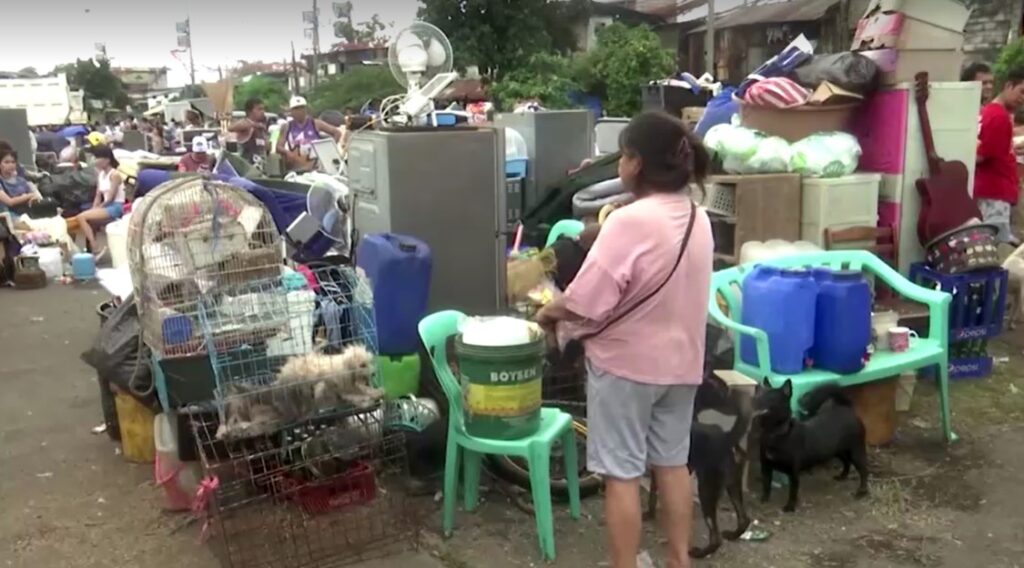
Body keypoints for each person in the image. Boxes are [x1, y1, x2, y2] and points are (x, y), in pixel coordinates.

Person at [535, 112, 713, 568]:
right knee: (673, 465)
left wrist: (547, 310)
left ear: (636, 163)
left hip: (627, 369)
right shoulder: (698, 217)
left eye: (624, 155)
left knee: (623, 475)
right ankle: (679, 559)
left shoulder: (629, 222)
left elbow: (586, 301)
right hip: (683, 364)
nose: (620, 165)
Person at [976, 67, 1024, 245]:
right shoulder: (999, 117)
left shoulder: (990, 112)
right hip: (994, 193)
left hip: (992, 191)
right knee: (992, 246)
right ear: (1008, 85)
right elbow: (981, 155)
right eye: (1022, 91)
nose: (1023, 99)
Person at [74, 145, 125, 256]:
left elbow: (111, 197)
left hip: (115, 206)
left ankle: (95, 247)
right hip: (106, 206)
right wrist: (94, 208)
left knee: (81, 217)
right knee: (87, 218)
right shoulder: (101, 174)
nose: (95, 160)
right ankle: (92, 250)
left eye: (97, 158)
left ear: (107, 160)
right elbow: (98, 195)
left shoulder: (115, 175)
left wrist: (98, 208)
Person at [276, 95, 342, 172]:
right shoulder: (287, 127)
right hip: (296, 165)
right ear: (291, 111)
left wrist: (328, 150)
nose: (299, 111)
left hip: (314, 166)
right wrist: (287, 153)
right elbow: (278, 147)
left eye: (301, 108)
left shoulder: (315, 123)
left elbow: (337, 133)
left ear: (306, 109)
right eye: (296, 109)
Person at [0, 148, 41, 214]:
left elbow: (33, 197)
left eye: (13, 162)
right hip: (9, 216)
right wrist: (29, 196)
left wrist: (32, 198)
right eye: (6, 162)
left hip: (27, 213)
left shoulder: (21, 180)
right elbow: (10, 202)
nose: (11, 165)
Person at [229, 97, 268, 164]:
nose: (262, 112)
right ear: (249, 111)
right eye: (259, 109)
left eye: (263, 109)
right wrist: (254, 125)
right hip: (246, 166)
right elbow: (231, 127)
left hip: (261, 166)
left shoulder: (261, 128)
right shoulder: (246, 123)